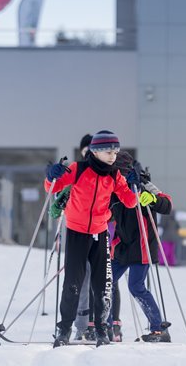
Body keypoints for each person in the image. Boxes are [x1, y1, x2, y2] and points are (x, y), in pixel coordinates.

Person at [46, 130, 139, 347]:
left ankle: (101, 330)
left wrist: (132, 183)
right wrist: (52, 175)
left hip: (100, 232)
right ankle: (64, 329)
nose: (112, 156)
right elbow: (53, 187)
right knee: (73, 284)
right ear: (96, 152)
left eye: (115, 152)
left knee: (103, 284)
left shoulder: (114, 175)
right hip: (77, 232)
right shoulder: (78, 169)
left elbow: (130, 202)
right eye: (108, 152)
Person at [109, 151, 173, 342]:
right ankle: (105, 324)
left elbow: (167, 205)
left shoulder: (143, 182)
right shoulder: (111, 185)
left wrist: (152, 199)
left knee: (136, 286)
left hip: (142, 243)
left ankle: (158, 329)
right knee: (106, 282)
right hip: (122, 244)